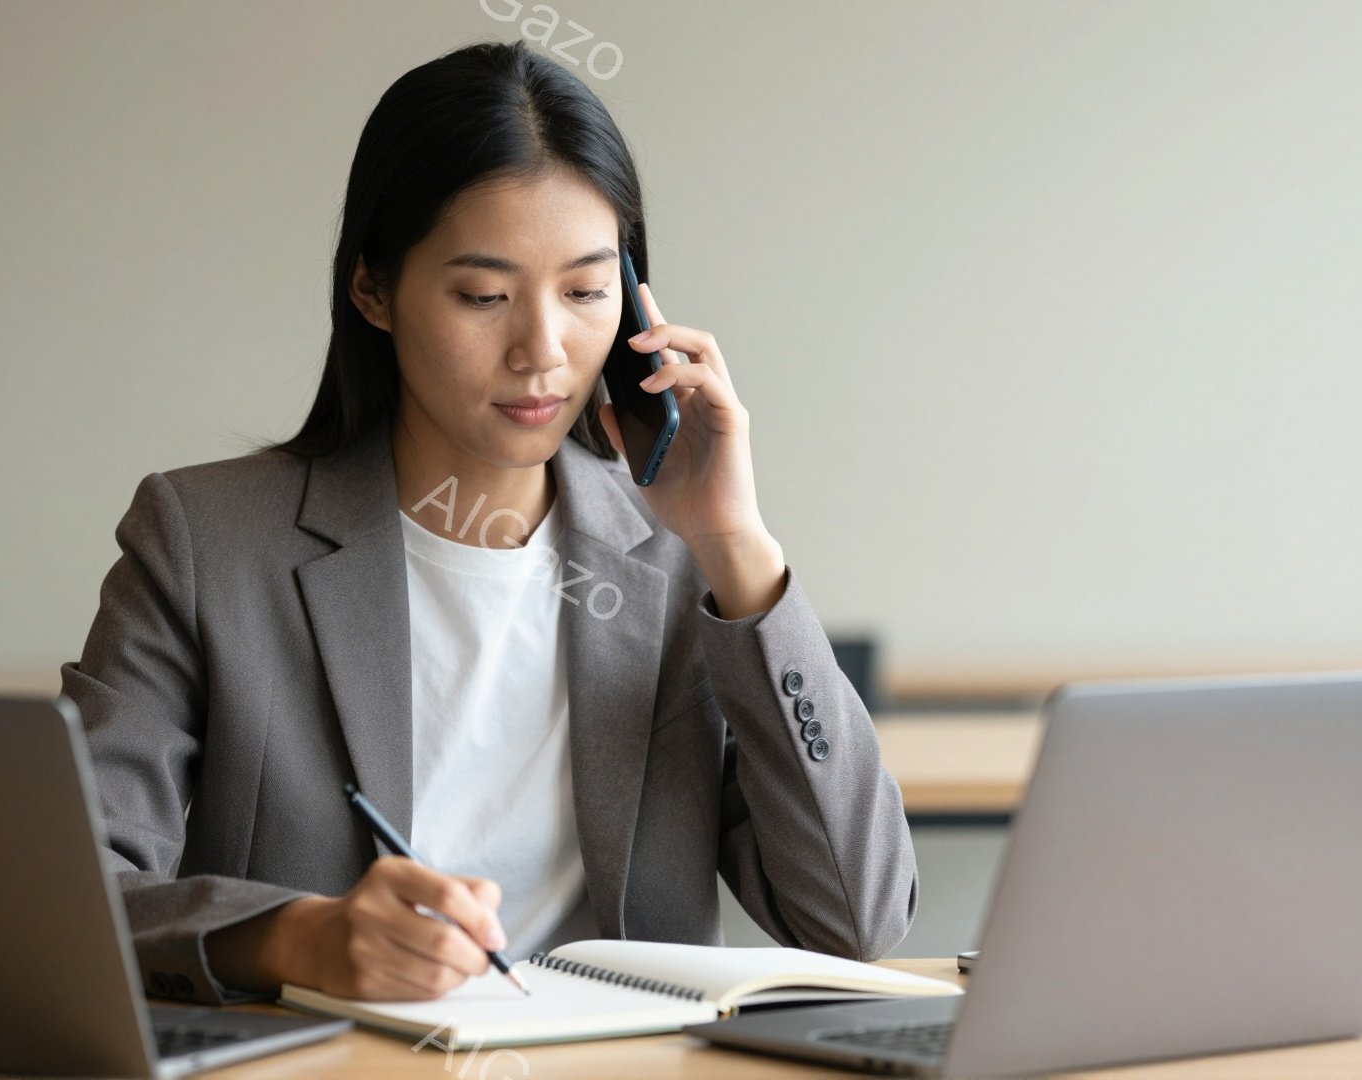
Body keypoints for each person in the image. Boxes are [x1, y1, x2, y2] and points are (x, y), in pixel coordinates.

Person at [61, 38, 916, 1008]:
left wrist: (735, 545)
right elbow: (72, 889)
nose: (542, 350)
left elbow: (855, 917)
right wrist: (297, 939)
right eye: (484, 296)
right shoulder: (204, 541)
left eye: (586, 292)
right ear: (374, 289)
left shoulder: (683, 559)